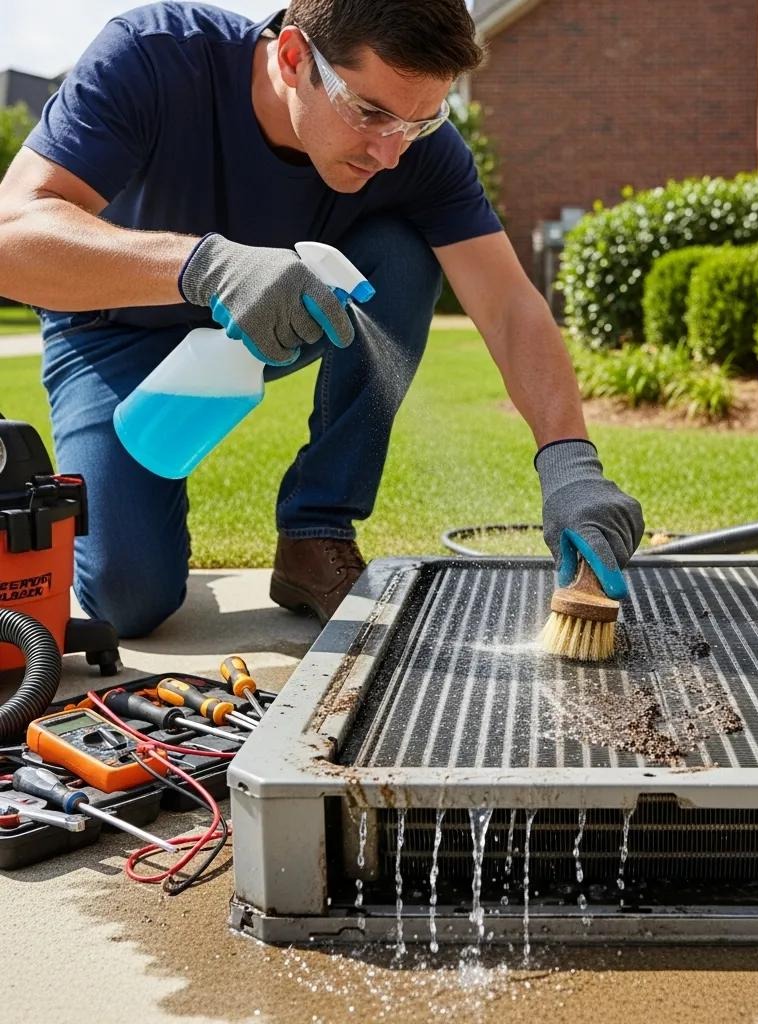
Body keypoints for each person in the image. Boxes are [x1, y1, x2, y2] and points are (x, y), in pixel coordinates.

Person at [0, 0, 644, 637]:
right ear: (293, 56)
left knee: (400, 252)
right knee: (130, 599)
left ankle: (316, 526)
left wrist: (569, 462)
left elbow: (508, 303)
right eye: (370, 112)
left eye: (421, 121)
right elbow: (10, 239)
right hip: (114, 327)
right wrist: (207, 265)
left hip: (283, 323)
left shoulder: (417, 147)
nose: (391, 152)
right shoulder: (154, 56)